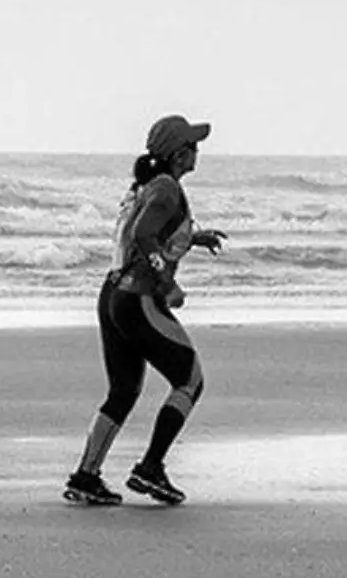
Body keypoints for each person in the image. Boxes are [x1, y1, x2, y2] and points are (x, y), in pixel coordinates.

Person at [64, 114, 227, 506]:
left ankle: (86, 477)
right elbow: (143, 235)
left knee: (123, 391)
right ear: (178, 153)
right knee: (190, 380)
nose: (198, 151)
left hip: (112, 296)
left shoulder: (149, 186)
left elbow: (145, 233)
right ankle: (150, 468)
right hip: (138, 299)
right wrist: (167, 284)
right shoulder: (168, 188)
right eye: (193, 145)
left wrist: (193, 238)